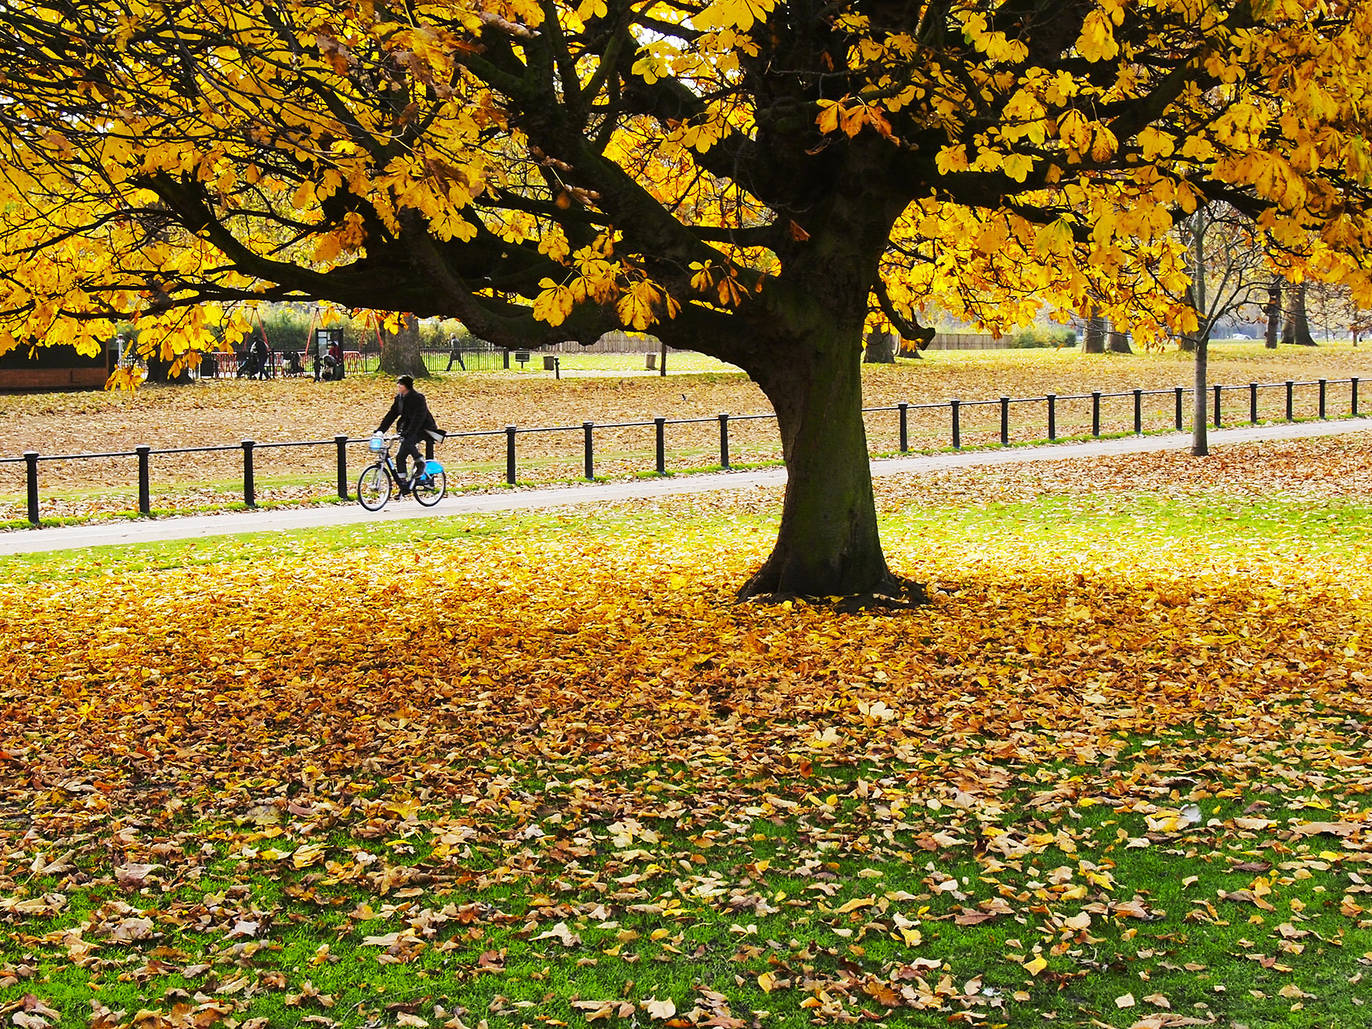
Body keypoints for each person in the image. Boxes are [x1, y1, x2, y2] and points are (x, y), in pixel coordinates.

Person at [377, 375, 443, 492]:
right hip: (408, 429)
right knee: (400, 456)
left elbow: (419, 417)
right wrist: (380, 430)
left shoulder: (418, 398)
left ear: (407, 386)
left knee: (408, 442)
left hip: (423, 428)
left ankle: (420, 462)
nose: (398, 386)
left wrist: (409, 432)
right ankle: (403, 485)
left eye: (401, 384)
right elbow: (391, 415)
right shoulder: (399, 399)